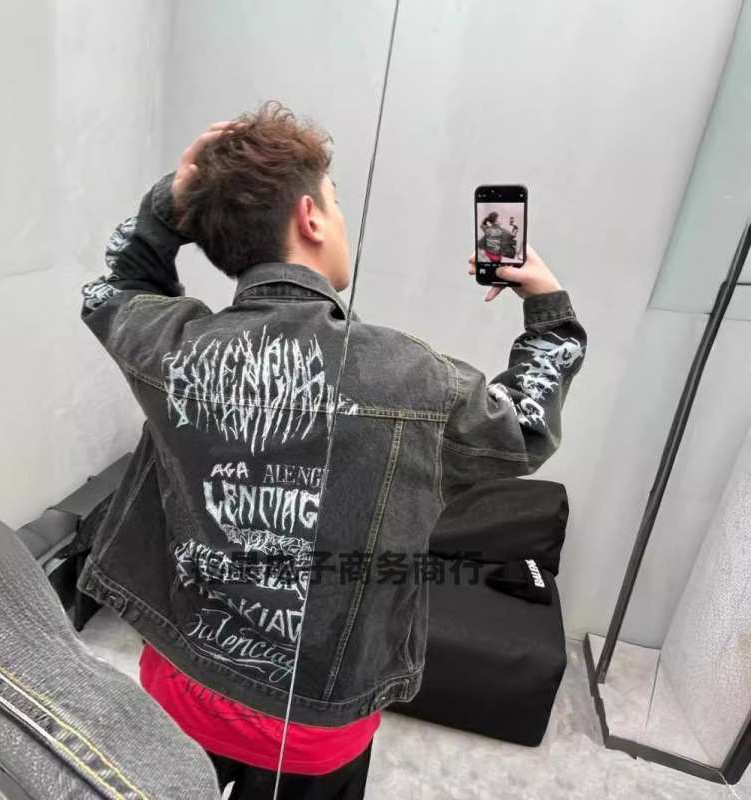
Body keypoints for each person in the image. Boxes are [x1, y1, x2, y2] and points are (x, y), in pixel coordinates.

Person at [78, 103, 586, 799]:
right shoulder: (412, 380)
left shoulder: (176, 350)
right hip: (309, 727)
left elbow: (115, 288)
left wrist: (170, 205)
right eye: (337, 203)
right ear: (311, 218)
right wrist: (548, 306)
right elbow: (524, 426)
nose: (342, 220)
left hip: (181, 682)